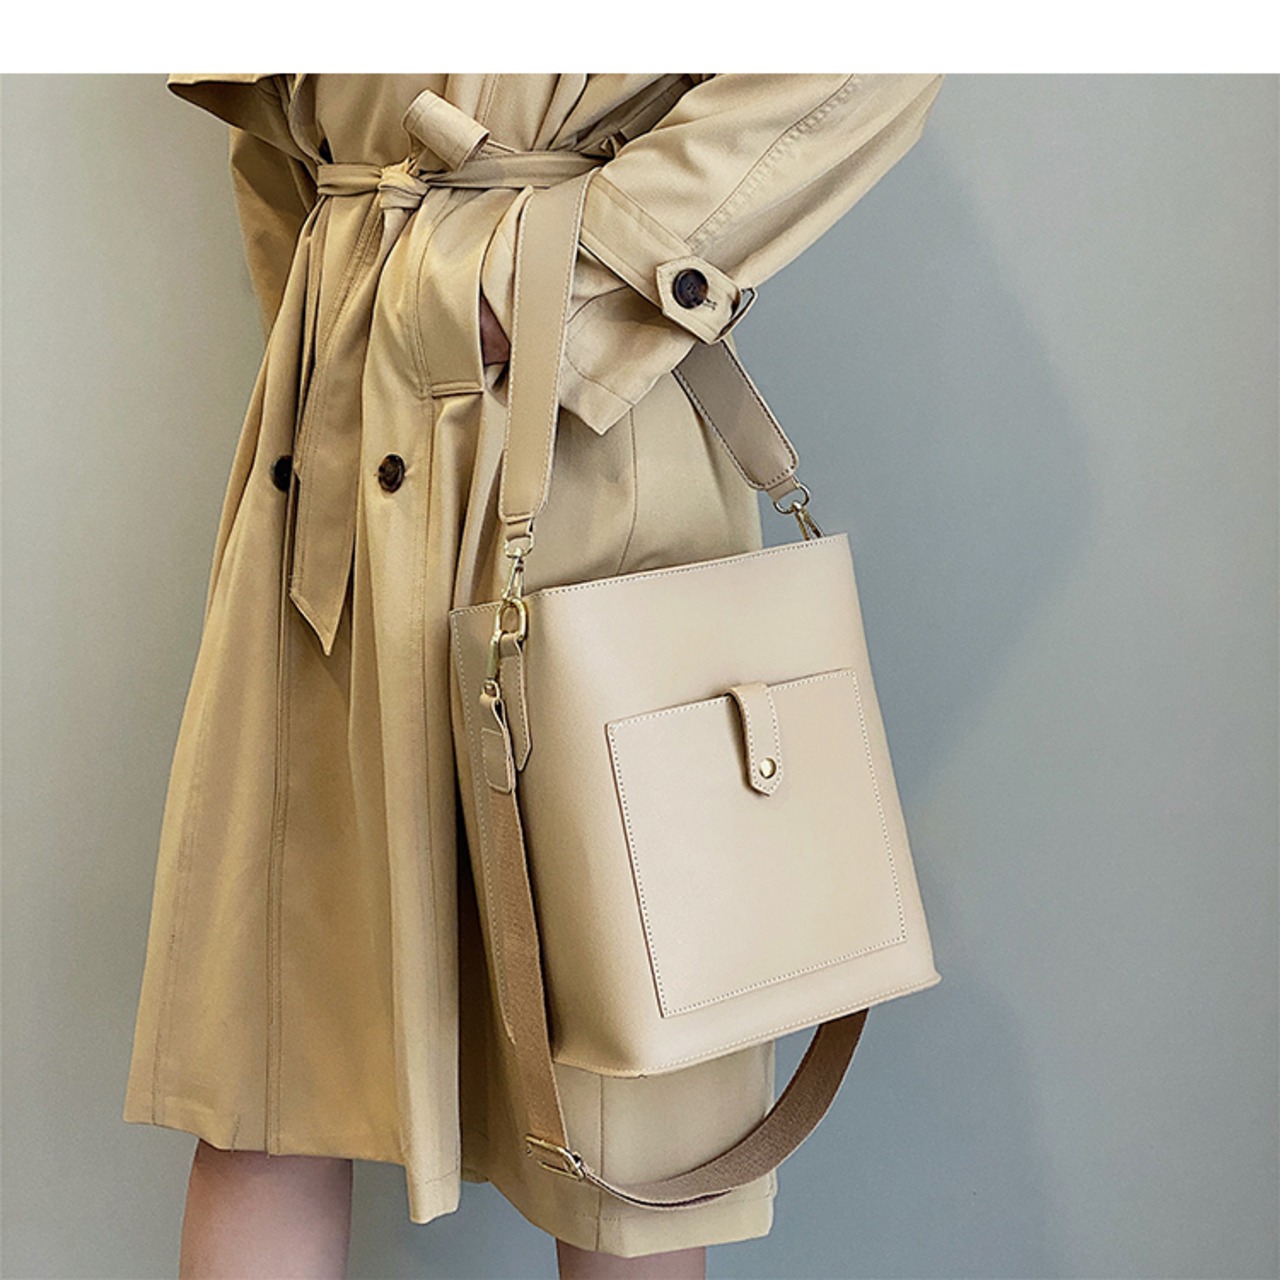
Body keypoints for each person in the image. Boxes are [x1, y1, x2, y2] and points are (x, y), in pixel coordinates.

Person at [122, 73, 945, 1278]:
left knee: (633, 1113)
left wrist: (556, 279)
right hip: (335, 473)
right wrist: (342, 320)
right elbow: (273, 127)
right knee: (269, 1085)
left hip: (578, 449)